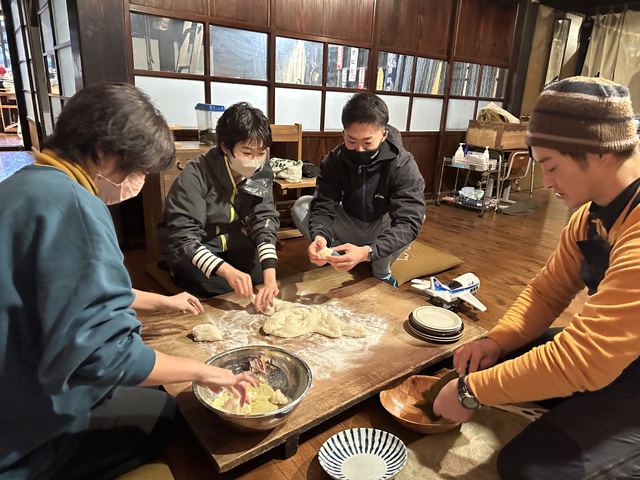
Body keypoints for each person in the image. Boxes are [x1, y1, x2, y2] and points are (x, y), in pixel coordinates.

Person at [0, 84, 255, 480]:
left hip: (14, 379)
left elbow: (69, 289)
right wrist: (206, 371)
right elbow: (106, 356)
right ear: (103, 152)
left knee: (151, 389)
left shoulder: (22, 185)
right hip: (19, 433)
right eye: (136, 170)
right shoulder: (76, 206)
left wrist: (167, 302)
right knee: (168, 413)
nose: (137, 182)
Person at [433, 77, 640, 479]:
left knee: (527, 469)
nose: (545, 182)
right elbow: (546, 293)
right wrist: (497, 340)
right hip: (616, 355)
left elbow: (586, 358)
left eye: (550, 165)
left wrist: (471, 393)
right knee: (495, 359)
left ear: (598, 151)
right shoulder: (592, 216)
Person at [292, 93, 425, 287]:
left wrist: (368, 251)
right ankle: (335, 256)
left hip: (381, 226)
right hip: (351, 222)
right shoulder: (334, 160)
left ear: (384, 135)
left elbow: (408, 222)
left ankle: (381, 270)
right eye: (352, 141)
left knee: (417, 217)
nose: (360, 150)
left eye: (368, 142)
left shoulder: (403, 164)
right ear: (343, 134)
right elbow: (323, 205)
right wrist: (320, 237)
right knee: (301, 205)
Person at [158, 102, 280, 312]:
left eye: (261, 153)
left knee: (260, 276)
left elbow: (264, 218)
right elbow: (184, 237)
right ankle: (173, 267)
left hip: (231, 241)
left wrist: (271, 279)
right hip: (193, 246)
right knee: (220, 288)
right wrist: (228, 272)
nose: (256, 161)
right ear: (225, 148)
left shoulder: (261, 169)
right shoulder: (195, 175)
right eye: (247, 153)